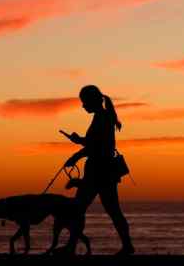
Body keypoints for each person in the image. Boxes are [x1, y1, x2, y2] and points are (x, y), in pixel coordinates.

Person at [59, 85, 135, 255]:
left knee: (80, 209)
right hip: (103, 170)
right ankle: (127, 246)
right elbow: (96, 143)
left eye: (84, 102)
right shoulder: (104, 116)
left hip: (99, 171)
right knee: (110, 210)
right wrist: (78, 148)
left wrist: (77, 149)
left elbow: (96, 145)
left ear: (92, 101)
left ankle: (71, 247)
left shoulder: (102, 118)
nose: (83, 106)